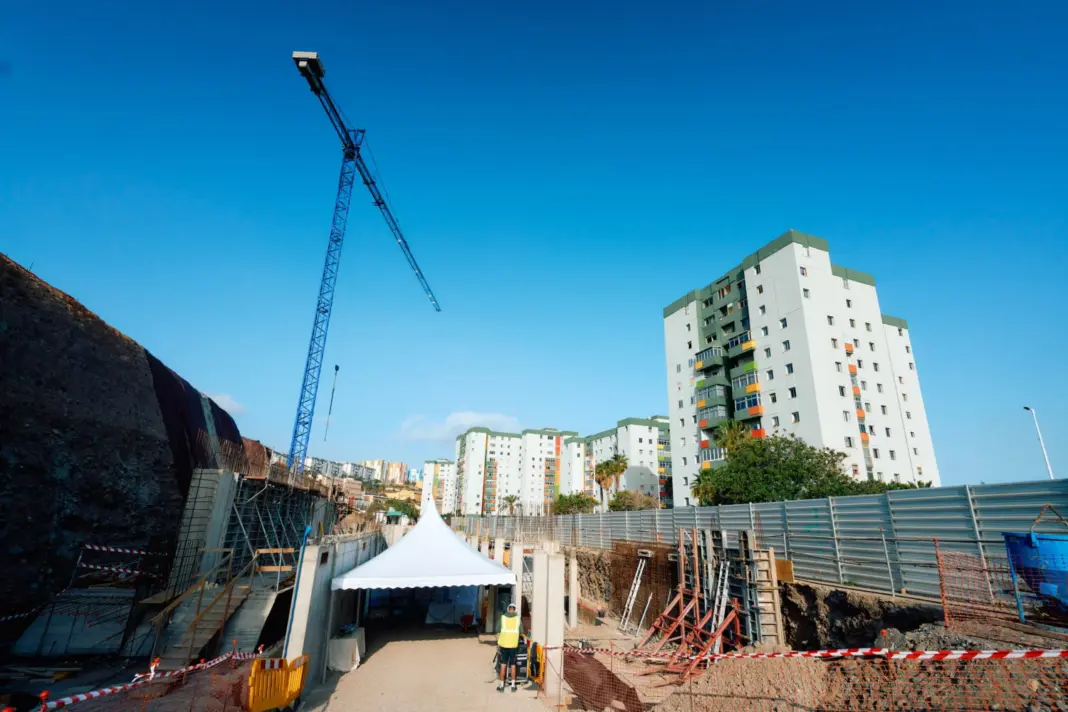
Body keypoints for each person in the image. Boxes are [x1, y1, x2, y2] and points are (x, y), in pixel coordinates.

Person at [496, 602, 522, 692]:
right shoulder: (518, 619)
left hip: (503, 645)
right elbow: (521, 632)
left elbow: (497, 630)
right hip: (513, 646)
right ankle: (513, 686)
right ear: (514, 610)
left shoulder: (502, 618)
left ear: (508, 610)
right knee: (513, 665)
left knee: (503, 664)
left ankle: (502, 686)